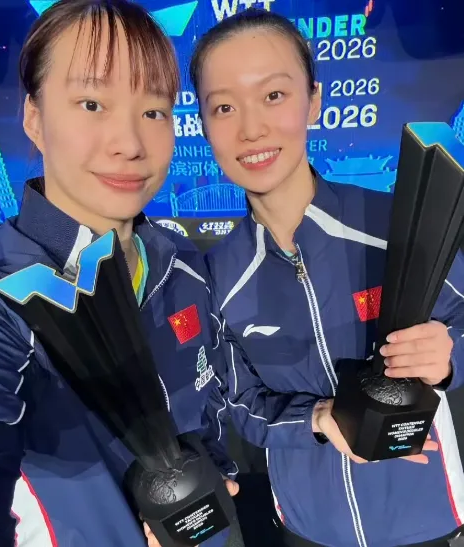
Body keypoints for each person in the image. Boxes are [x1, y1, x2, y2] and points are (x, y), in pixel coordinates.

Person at [0, 1, 241, 546]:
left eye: (154, 111)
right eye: (91, 103)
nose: (130, 144)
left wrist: (216, 473)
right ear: (34, 118)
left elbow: (207, 406)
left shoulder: (182, 263)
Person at [190, 8, 464, 547]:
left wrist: (449, 354)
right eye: (224, 107)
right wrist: (317, 417)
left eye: (274, 95)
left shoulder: (397, 225)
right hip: (308, 528)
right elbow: (237, 403)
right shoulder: (215, 276)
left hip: (427, 518)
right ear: (202, 124)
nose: (251, 129)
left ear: (313, 100)